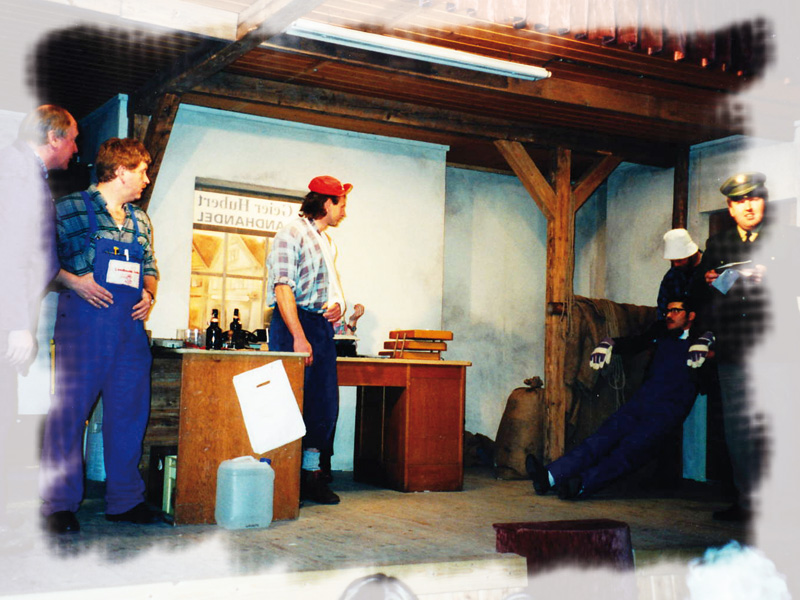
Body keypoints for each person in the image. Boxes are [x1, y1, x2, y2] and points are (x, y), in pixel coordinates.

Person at [39, 138, 160, 534]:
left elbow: (150, 268)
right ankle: (58, 504)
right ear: (121, 170)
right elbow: (36, 260)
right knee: (69, 416)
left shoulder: (140, 220)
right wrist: (74, 281)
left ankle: (125, 501)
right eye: (142, 171)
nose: (146, 179)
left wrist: (149, 294)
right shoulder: (68, 208)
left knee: (129, 416)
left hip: (129, 330)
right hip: (83, 326)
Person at [526, 298, 713, 500]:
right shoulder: (661, 330)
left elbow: (721, 352)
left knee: (632, 448)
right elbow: (636, 342)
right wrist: (609, 343)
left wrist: (709, 346)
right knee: (603, 436)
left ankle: (582, 484)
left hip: (669, 408)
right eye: (668, 311)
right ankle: (550, 476)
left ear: (691, 316)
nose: (669, 315)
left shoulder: (702, 338)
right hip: (643, 399)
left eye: (676, 311)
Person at [690, 171, 794, 522]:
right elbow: (698, 296)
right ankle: (747, 503)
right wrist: (708, 282)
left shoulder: (788, 238)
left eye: (754, 198)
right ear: (730, 207)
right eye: (739, 201)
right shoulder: (718, 245)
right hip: (734, 352)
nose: (748, 206)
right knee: (738, 432)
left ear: (764, 201)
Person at [0, 105, 78, 525]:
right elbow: (11, 252)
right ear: (53, 138)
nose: (75, 148)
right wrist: (16, 325)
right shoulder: (17, 173)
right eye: (73, 138)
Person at [267, 174, 351, 505]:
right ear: (327, 203)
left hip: (318, 325)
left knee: (323, 404)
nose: (344, 211)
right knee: (289, 403)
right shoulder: (291, 233)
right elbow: (283, 288)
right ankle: (284, 481)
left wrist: (336, 306)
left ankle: (311, 475)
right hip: (293, 323)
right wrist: (298, 338)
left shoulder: (325, 241)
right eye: (341, 205)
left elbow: (329, 291)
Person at [656, 228, 702, 320]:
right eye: (673, 261)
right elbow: (662, 307)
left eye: (680, 260)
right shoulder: (672, 276)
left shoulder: (712, 271)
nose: (676, 265)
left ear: (692, 255)